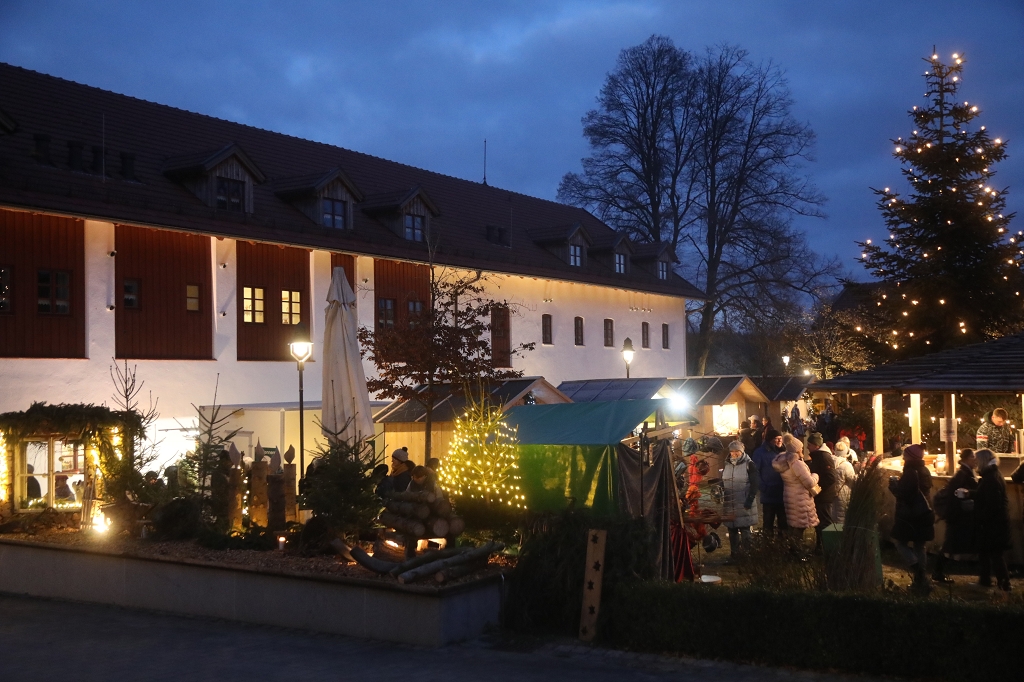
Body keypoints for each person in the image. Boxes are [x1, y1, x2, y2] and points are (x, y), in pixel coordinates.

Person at [963, 449, 1011, 591]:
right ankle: (988, 581)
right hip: (994, 522)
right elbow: (986, 495)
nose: (975, 463)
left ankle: (1004, 584)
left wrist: (981, 516)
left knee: (995, 554)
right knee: (987, 552)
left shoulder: (991, 479)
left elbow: (993, 503)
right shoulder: (992, 475)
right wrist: (970, 494)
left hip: (993, 523)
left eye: (977, 460)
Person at [888, 443, 934, 592]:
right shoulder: (925, 470)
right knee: (920, 545)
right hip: (924, 514)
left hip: (910, 515)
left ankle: (917, 569)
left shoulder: (910, 472)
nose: (903, 457)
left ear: (910, 457)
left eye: (905, 454)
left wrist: (894, 486)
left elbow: (904, 494)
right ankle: (921, 581)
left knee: (899, 542)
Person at [932, 449, 978, 583]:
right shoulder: (963, 474)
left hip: (957, 516)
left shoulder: (964, 473)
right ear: (965, 459)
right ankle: (938, 571)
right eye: (972, 457)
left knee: (952, 545)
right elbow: (955, 495)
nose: (975, 460)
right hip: (959, 517)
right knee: (950, 545)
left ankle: (938, 571)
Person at [772, 434, 819, 549]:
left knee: (794, 526)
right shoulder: (796, 463)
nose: (802, 450)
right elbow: (809, 482)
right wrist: (815, 475)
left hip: (790, 495)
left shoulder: (784, 461)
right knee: (799, 528)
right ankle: (797, 551)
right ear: (797, 450)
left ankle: (793, 549)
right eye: (801, 448)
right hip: (800, 498)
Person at [721, 440, 759, 560]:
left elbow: (755, 484)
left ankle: (747, 555)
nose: (734, 454)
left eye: (737, 451)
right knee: (732, 529)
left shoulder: (749, 464)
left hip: (743, 502)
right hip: (730, 503)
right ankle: (735, 554)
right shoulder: (727, 464)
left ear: (742, 451)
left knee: (745, 529)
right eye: (732, 451)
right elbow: (723, 481)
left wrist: (749, 500)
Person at [751, 429, 787, 537]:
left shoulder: (784, 451)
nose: (779, 441)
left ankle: (783, 543)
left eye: (781, 438)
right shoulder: (760, 452)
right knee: (768, 522)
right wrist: (763, 487)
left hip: (783, 492)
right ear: (770, 439)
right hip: (769, 492)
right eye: (777, 438)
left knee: (783, 522)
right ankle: (767, 543)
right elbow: (754, 472)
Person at [806, 433, 837, 552]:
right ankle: (821, 546)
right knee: (820, 522)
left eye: (809, 444)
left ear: (816, 445)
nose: (807, 447)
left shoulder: (823, 457)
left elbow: (831, 477)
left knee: (825, 522)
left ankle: (827, 547)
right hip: (821, 495)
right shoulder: (819, 456)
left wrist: (818, 487)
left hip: (824, 496)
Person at [830, 440, 857, 525]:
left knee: (833, 514)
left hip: (832, 492)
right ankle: (842, 532)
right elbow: (852, 479)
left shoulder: (830, 461)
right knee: (842, 515)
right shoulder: (847, 465)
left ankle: (834, 531)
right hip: (843, 493)